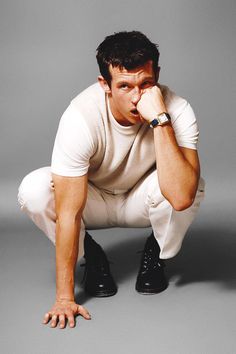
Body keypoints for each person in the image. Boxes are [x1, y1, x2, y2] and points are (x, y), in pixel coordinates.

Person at [18, 30, 205, 329]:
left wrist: (159, 119)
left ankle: (157, 249)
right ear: (105, 85)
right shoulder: (80, 116)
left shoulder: (177, 108)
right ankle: (89, 254)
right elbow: (67, 211)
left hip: (142, 199)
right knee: (34, 190)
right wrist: (65, 298)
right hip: (93, 199)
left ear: (157, 75)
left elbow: (182, 196)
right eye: (124, 86)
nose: (136, 98)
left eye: (146, 84)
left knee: (192, 182)